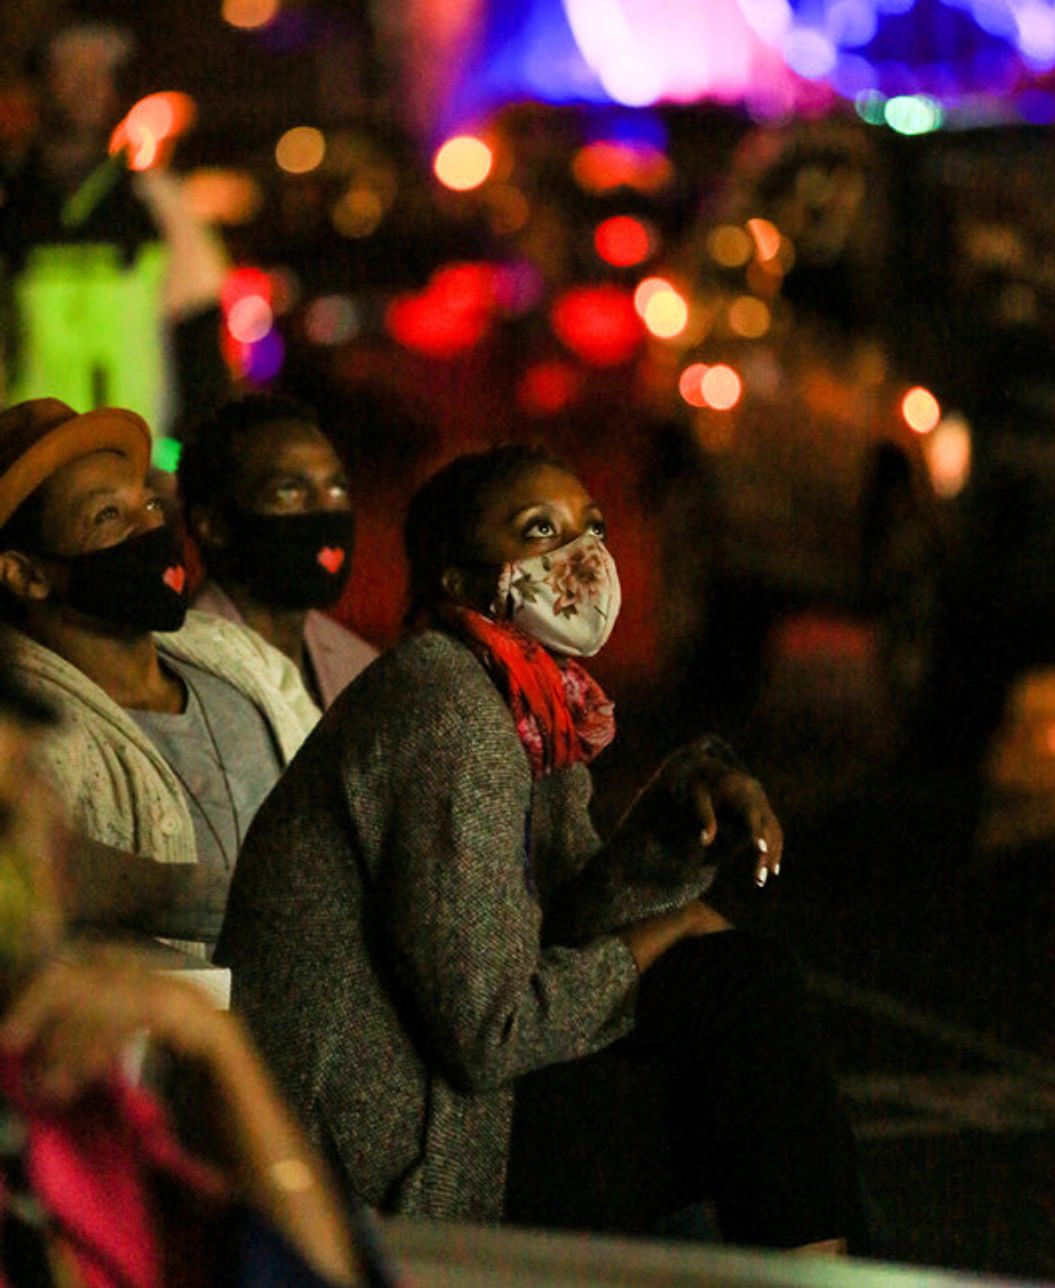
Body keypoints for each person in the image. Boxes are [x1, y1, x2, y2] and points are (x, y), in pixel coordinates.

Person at [218, 443, 869, 1250]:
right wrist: (668, 929)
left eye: (589, 527)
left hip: (442, 1104)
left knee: (741, 1019)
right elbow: (490, 1031)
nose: (581, 556)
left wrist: (681, 818)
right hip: (378, 1154)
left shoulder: (526, 697)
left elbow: (568, 918)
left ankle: (821, 1267)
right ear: (458, 581)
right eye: (539, 531)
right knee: (742, 1037)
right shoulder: (447, 706)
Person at [0, 665, 387, 1287]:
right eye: (4, 822)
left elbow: (312, 1274)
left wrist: (217, 1045)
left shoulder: (65, 1097)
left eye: (30, 803)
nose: (34, 855)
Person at [0, 397, 318, 955]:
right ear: (25, 574)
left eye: (148, 504)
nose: (150, 528)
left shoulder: (238, 657)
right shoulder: (22, 732)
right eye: (108, 517)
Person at [0, 20, 229, 438]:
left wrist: (188, 451)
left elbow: (199, 336)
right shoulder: (9, 203)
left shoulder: (157, 202)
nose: (88, 87)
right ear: (39, 85)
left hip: (138, 455)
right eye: (71, 71)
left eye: (100, 73)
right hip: (29, 460)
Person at [178, 396, 378, 713]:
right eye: (288, 492)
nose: (326, 509)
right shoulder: (180, 675)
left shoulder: (358, 665)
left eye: (337, 488)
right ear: (212, 525)